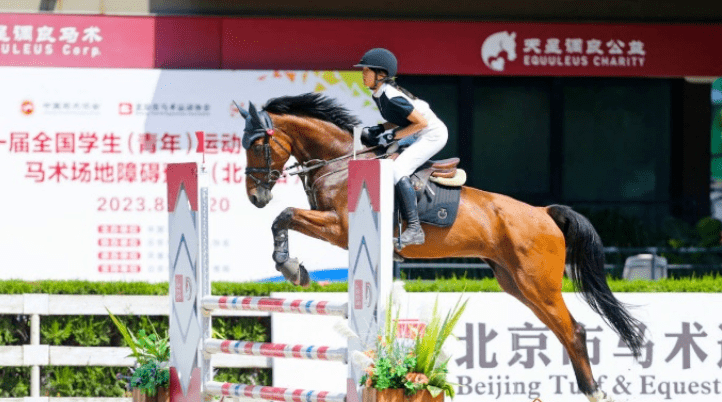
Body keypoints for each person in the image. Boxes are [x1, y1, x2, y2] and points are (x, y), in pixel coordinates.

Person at [354, 48, 449, 248]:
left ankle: (415, 229)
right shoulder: (379, 93)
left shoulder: (390, 95)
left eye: (366, 71)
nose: (362, 74)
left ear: (381, 74)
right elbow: (399, 120)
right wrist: (380, 129)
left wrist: (393, 135)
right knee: (382, 158)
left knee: (397, 169)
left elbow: (421, 123)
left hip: (431, 134)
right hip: (415, 133)